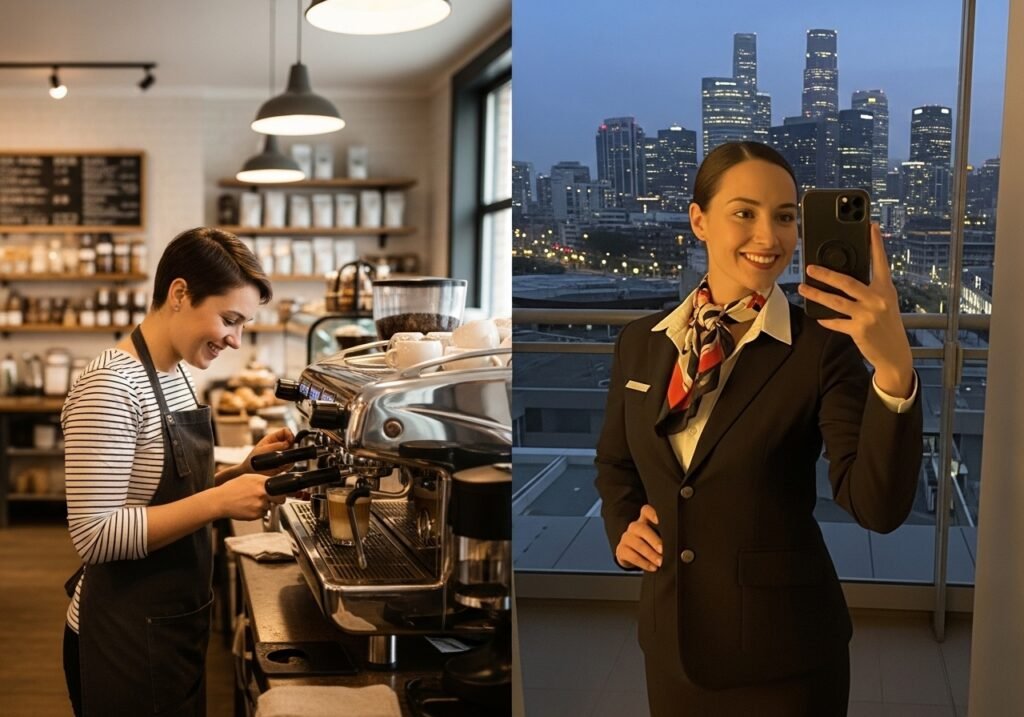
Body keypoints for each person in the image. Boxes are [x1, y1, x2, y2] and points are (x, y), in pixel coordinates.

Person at [594, 142, 923, 716]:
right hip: (671, 644)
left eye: (785, 217)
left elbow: (876, 507)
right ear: (699, 220)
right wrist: (622, 523)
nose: (768, 237)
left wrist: (894, 370)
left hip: (786, 656)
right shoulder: (642, 343)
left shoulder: (820, 348)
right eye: (744, 212)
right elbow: (616, 463)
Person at [60, 227, 296, 716]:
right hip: (121, 636)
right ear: (180, 294)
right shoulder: (110, 386)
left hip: (172, 624)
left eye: (244, 324)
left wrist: (241, 472)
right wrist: (219, 501)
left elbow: (163, 497)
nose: (235, 340)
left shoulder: (176, 374)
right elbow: (94, 535)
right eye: (229, 320)